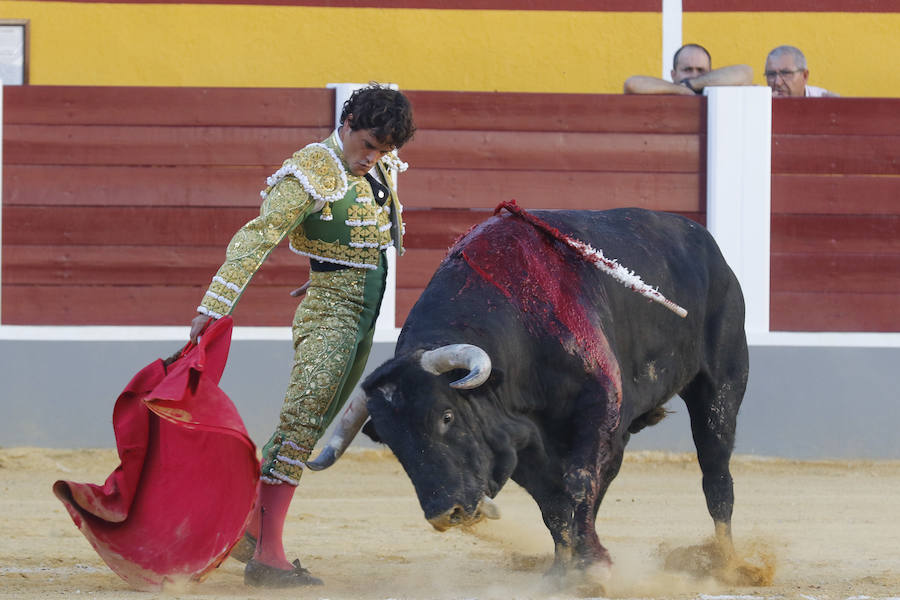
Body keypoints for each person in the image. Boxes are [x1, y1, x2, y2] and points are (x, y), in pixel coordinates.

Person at [188, 83, 416, 587]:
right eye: (369, 146)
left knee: (311, 423)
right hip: (333, 313)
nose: (373, 159)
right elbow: (258, 234)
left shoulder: (376, 163)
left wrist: (322, 263)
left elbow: (356, 231)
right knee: (302, 420)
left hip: (364, 312)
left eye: (384, 150)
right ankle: (268, 556)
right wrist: (216, 301)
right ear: (348, 122)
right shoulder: (312, 168)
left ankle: (251, 527)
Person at [624, 43, 753, 95]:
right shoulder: (665, 90)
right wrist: (681, 90)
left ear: (711, 72)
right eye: (687, 70)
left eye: (700, 70)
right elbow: (632, 84)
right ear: (673, 75)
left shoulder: (716, 89)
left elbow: (746, 72)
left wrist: (691, 84)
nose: (694, 74)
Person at [764, 45, 839, 97]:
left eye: (786, 73)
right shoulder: (760, 104)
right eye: (771, 74)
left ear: (804, 76)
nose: (778, 82)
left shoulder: (824, 102)